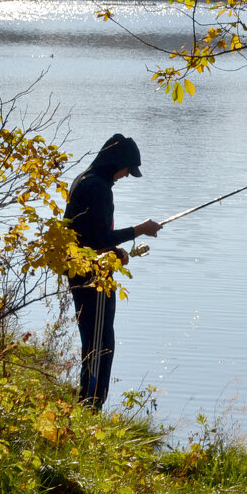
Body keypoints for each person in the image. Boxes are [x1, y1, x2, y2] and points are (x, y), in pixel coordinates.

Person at [64, 133, 161, 408]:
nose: (126, 176)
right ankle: (91, 406)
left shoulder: (86, 179)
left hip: (84, 272)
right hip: (91, 279)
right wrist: (139, 230)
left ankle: (90, 405)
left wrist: (116, 252)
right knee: (100, 346)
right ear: (117, 163)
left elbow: (90, 235)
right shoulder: (98, 188)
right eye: (128, 170)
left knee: (99, 343)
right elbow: (98, 239)